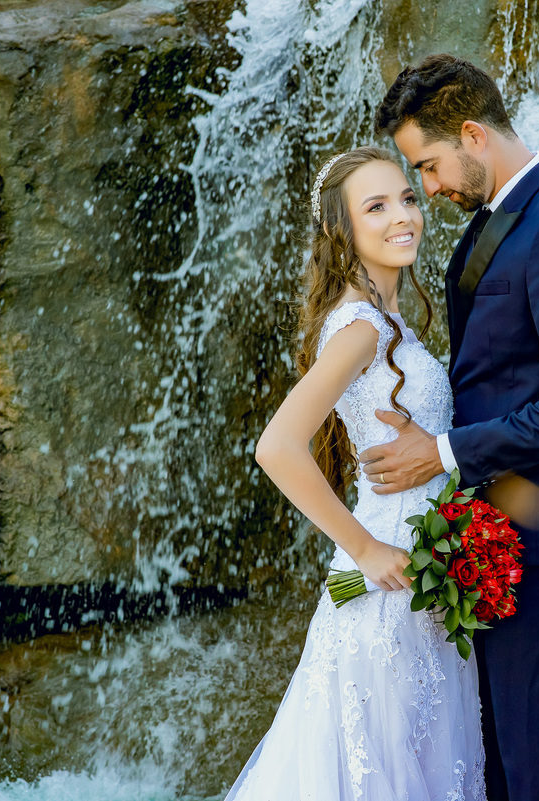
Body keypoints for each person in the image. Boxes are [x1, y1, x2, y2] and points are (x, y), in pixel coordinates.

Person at [364, 55, 539, 801]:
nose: (429, 189)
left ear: (473, 134)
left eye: (430, 165)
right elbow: (497, 372)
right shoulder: (499, 221)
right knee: (502, 773)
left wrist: (442, 451)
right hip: (493, 541)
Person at [225, 146, 485, 801]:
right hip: (385, 590)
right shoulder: (362, 327)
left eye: (406, 197)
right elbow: (278, 445)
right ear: (344, 231)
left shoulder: (389, 319)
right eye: (376, 206)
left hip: (420, 585)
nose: (403, 215)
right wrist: (365, 549)